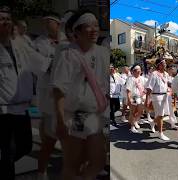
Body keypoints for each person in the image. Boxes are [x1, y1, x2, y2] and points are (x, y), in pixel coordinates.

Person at [50, 10, 106, 180]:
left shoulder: (102, 53)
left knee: (98, 161)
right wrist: (60, 122)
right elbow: (59, 90)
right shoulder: (68, 55)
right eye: (88, 26)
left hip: (94, 116)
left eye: (96, 25)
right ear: (77, 32)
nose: (94, 29)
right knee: (72, 164)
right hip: (74, 117)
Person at [0, 6, 49, 179]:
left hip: (22, 108)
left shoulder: (21, 44)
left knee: (25, 145)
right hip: (3, 110)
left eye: (7, 18)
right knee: (6, 150)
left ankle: (4, 166)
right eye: (1, 18)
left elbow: (41, 64)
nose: (5, 21)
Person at [34, 11, 66, 179]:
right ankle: (41, 172)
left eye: (49, 22)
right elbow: (37, 66)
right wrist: (55, 62)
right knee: (48, 140)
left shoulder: (68, 41)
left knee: (71, 140)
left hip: (69, 98)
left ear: (58, 24)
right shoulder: (40, 42)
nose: (46, 25)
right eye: (45, 22)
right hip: (49, 98)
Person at [145, 58, 171, 141]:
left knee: (161, 115)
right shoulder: (154, 74)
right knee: (161, 115)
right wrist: (147, 99)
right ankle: (160, 133)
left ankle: (152, 122)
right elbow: (149, 88)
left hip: (165, 96)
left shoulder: (166, 74)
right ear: (159, 65)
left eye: (165, 63)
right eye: (163, 63)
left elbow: (168, 84)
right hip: (157, 97)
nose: (165, 64)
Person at [126, 65, 147, 133]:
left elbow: (146, 87)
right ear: (133, 71)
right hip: (133, 97)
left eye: (139, 69)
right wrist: (129, 99)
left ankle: (134, 121)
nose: (138, 71)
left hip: (141, 97)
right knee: (133, 112)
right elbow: (128, 90)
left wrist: (145, 93)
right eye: (136, 70)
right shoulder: (130, 79)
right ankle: (132, 126)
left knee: (141, 111)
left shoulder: (143, 78)